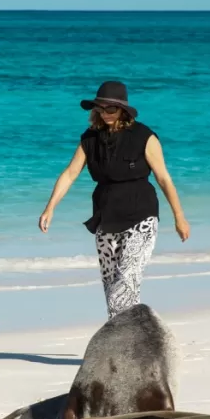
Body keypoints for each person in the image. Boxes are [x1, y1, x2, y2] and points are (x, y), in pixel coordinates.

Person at [39, 80, 190, 318]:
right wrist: (50, 208)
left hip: (141, 216)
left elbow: (163, 178)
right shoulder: (90, 138)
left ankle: (131, 341)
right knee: (112, 288)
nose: (106, 113)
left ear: (123, 109)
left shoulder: (144, 136)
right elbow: (69, 174)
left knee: (126, 283)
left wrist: (179, 218)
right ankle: (127, 345)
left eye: (111, 109)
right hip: (106, 217)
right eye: (101, 108)